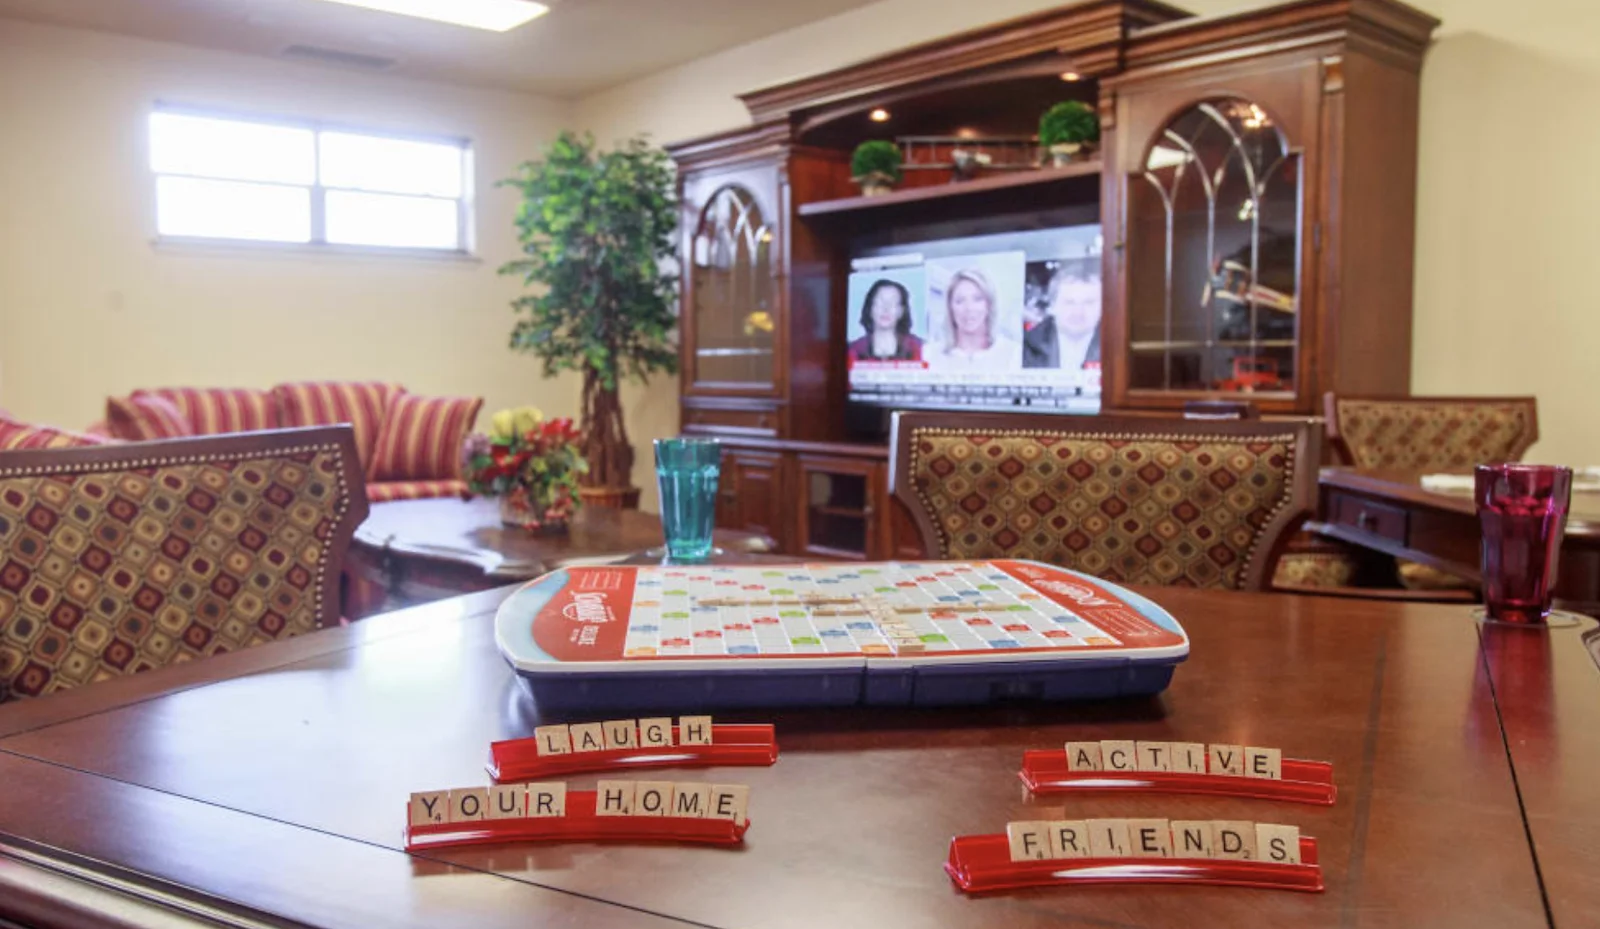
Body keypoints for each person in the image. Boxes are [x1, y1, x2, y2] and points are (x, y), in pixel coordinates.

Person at [931, 268, 1013, 370]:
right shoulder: (929, 355)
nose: (969, 308)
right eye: (960, 301)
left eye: (977, 299)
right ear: (950, 308)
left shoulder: (1013, 354)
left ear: (989, 304)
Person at [1023, 262, 1101, 369]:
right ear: (1053, 306)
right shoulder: (1027, 347)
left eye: (1088, 303)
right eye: (1069, 302)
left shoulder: (1118, 348)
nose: (1078, 312)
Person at [846, 279, 922, 362]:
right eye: (880, 302)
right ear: (870, 308)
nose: (886, 308)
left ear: (901, 311)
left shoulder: (919, 348)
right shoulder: (852, 350)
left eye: (893, 303)